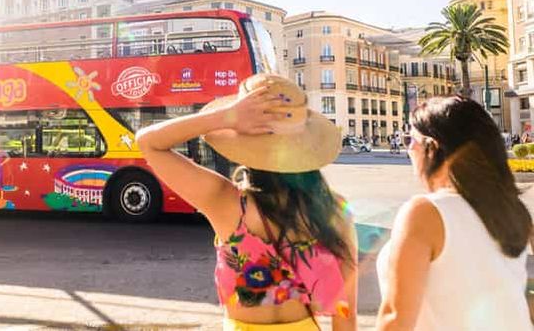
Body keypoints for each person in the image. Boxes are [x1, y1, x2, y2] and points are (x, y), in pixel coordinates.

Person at [136, 74, 358, 331]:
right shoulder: (333, 209)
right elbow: (346, 314)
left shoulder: (225, 202)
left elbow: (149, 142)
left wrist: (226, 117)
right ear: (304, 145)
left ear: (244, 142)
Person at [376, 96, 533, 330]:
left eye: (411, 139)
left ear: (432, 148)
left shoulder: (425, 212)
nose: (408, 148)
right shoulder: (512, 210)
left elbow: (395, 319)